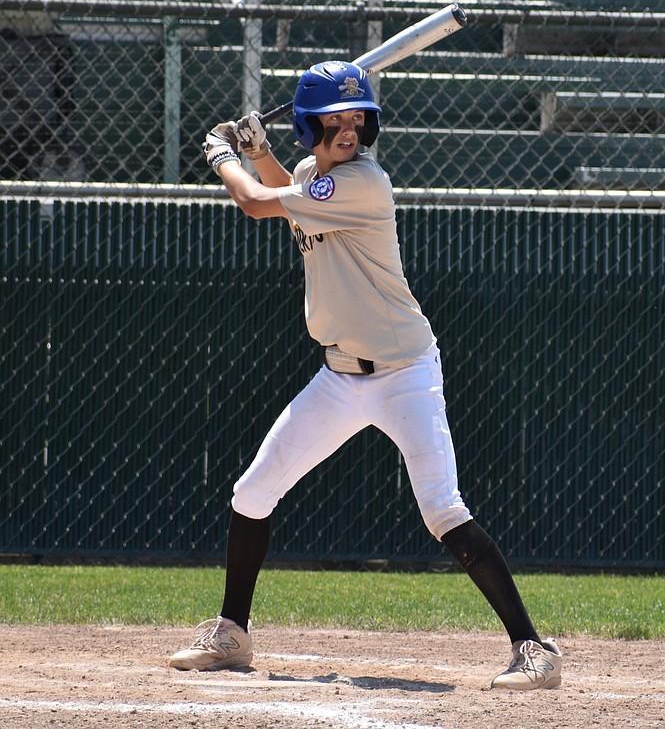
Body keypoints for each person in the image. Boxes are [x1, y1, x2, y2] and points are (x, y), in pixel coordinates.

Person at [167, 60, 562, 690]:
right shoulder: (311, 176)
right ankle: (232, 633)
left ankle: (533, 650)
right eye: (336, 119)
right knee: (252, 491)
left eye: (358, 119)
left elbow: (254, 201)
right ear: (309, 127)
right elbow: (287, 191)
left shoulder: (362, 184)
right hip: (340, 376)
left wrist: (222, 156)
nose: (349, 130)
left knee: (442, 510)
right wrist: (258, 150)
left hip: (405, 372)